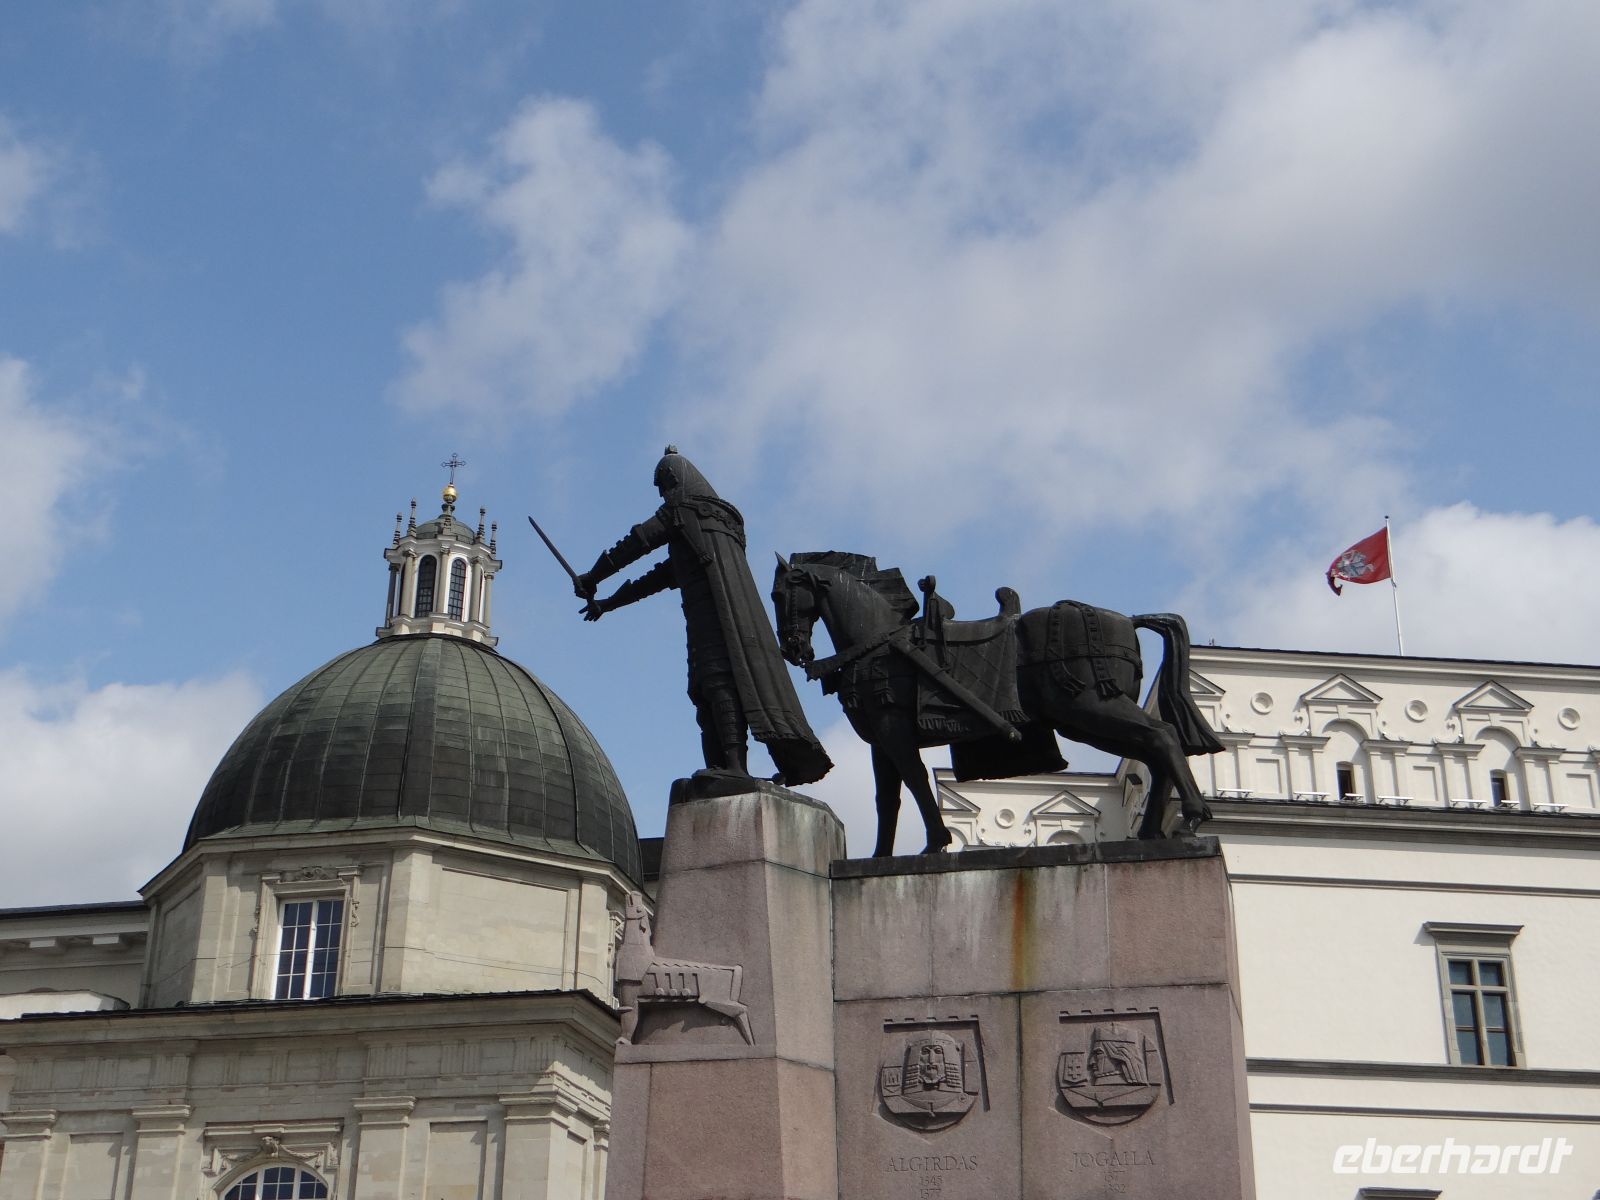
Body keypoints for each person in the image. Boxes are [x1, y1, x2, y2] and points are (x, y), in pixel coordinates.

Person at [575, 448, 832, 790]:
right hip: (718, 619)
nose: (664, 494)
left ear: (676, 480)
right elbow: (661, 576)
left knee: (717, 682)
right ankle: (722, 766)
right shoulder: (713, 527)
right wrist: (607, 603)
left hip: (715, 618)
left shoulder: (684, 510)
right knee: (703, 689)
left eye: (664, 486)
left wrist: (592, 577)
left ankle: (734, 767)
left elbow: (636, 543)